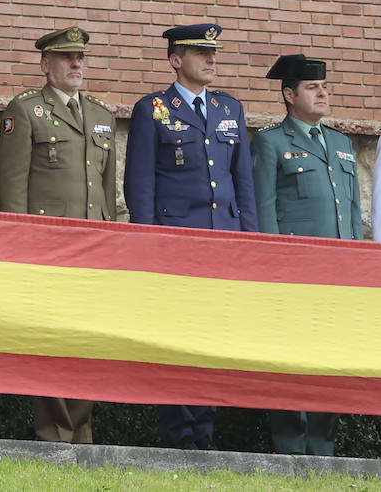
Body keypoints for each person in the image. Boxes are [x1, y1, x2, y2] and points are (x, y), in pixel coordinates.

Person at [124, 22, 254, 450]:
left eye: (213, 52)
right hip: (176, 245)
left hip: (223, 243)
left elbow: (242, 182)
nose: (211, 59)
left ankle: (206, 432)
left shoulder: (229, 109)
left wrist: (250, 242)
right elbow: (140, 185)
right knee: (179, 340)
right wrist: (147, 246)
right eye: (201, 52)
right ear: (176, 60)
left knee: (213, 339)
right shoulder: (153, 109)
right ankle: (179, 436)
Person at [0, 25, 118, 444]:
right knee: (52, 342)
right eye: (67, 58)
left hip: (91, 250)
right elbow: (10, 187)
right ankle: (54, 433)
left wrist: (109, 243)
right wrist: (17, 247)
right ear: (46, 65)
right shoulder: (26, 110)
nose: (76, 64)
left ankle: (82, 430)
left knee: (86, 342)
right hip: (47, 250)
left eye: (80, 57)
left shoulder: (101, 115)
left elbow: (105, 189)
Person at [251, 53, 362, 455]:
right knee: (291, 362)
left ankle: (323, 447)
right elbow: (264, 211)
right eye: (313, 87)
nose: (322, 93)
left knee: (329, 364)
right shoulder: (270, 142)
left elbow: (352, 214)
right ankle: (290, 447)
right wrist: (273, 269)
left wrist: (358, 267)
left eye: (324, 87)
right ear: (288, 94)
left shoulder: (341, 143)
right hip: (294, 276)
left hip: (338, 278)